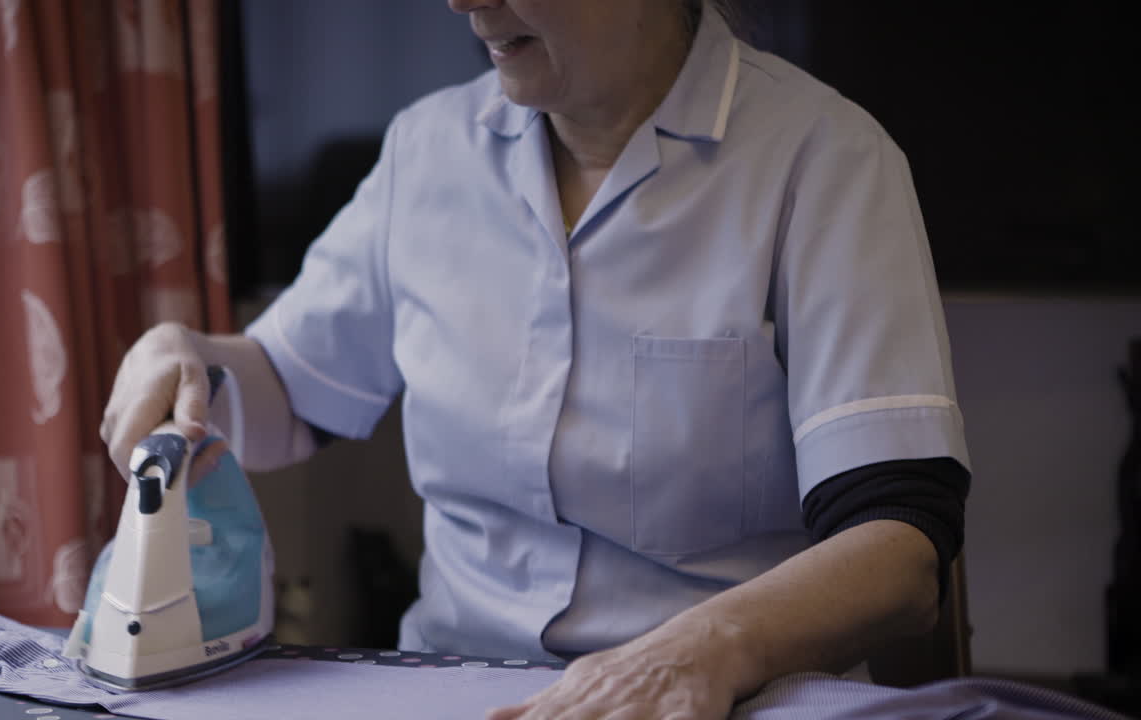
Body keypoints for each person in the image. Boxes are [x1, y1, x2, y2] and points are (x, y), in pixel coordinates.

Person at [101, 0, 971, 717]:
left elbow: (899, 553)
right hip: (447, 691)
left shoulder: (826, 161)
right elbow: (293, 392)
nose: (463, 2)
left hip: (722, 698)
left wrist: (705, 648)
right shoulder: (427, 151)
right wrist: (193, 362)